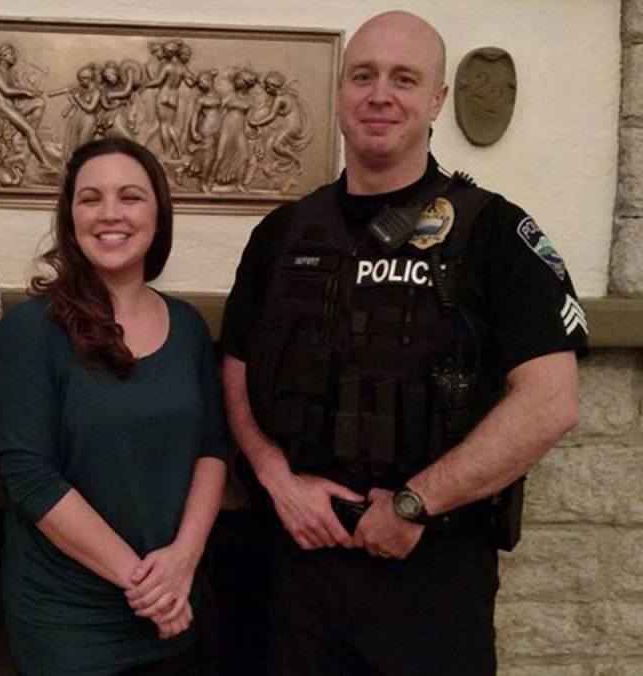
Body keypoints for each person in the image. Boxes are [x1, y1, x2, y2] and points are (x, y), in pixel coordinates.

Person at [221, 11, 587, 675]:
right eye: (362, 76)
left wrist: (417, 503)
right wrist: (279, 482)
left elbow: (551, 401)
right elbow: (237, 370)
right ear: (339, 95)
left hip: (433, 576)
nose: (379, 94)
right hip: (297, 574)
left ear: (437, 101)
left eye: (404, 78)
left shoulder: (496, 234)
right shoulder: (281, 234)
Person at [0, 137, 227, 676]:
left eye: (131, 197)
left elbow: (211, 450)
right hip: (70, 624)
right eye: (91, 198)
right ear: (70, 219)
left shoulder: (186, 328)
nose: (110, 213)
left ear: (159, 214)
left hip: (176, 607)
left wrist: (182, 563)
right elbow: (29, 478)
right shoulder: (30, 331)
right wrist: (148, 586)